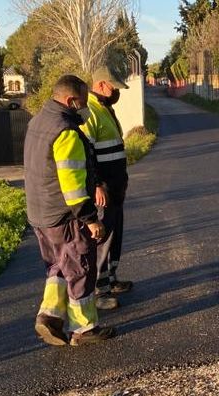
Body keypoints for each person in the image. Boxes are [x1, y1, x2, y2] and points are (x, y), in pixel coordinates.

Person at [24, 74, 116, 346]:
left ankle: (49, 317)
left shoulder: (37, 122)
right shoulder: (65, 131)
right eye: (84, 102)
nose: (85, 107)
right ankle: (84, 328)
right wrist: (90, 219)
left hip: (40, 214)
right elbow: (72, 183)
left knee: (57, 266)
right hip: (65, 216)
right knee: (79, 267)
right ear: (71, 100)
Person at [81, 66, 133, 311]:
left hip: (116, 186)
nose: (116, 92)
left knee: (114, 236)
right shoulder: (91, 111)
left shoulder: (104, 109)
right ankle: (99, 291)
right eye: (114, 87)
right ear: (101, 84)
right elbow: (87, 154)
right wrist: (97, 185)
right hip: (104, 190)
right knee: (101, 239)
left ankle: (111, 279)